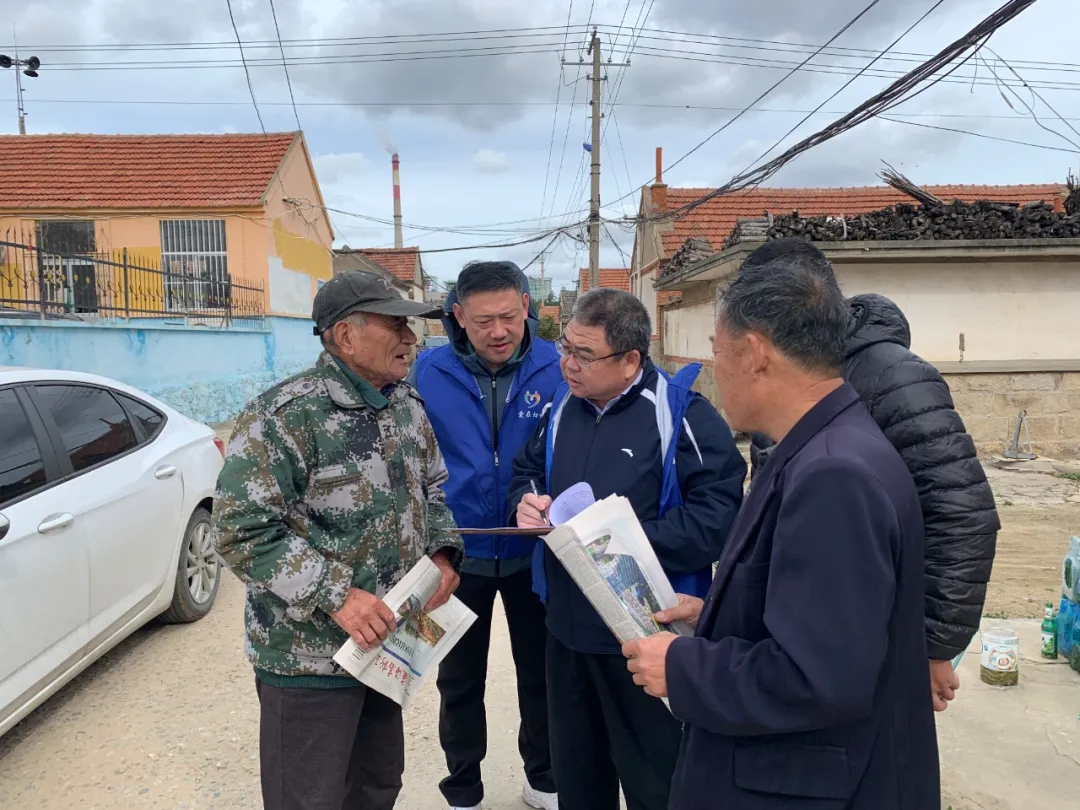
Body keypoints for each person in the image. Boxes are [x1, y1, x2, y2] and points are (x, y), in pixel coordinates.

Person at [624, 255, 940, 810]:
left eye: (717, 352)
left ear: (754, 353)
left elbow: (821, 676)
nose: (715, 370)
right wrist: (716, 613)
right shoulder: (829, 442)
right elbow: (831, 614)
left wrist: (682, 668)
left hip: (812, 783)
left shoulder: (833, 475)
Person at [213, 269, 464, 810]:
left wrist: (442, 554)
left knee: (377, 787)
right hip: (308, 662)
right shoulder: (285, 417)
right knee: (309, 799)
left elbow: (433, 489)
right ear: (346, 336)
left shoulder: (406, 406)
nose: (410, 338)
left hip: (387, 650)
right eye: (395, 325)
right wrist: (338, 595)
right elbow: (240, 530)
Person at [510, 288, 746, 810]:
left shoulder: (681, 413)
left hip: (647, 638)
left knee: (656, 784)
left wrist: (618, 541)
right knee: (578, 780)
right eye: (565, 347)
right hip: (566, 632)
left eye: (584, 354)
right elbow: (526, 471)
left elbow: (719, 516)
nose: (568, 364)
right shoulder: (561, 406)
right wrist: (526, 503)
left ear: (630, 361)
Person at [743, 238, 999, 712]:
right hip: (802, 620)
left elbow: (961, 513)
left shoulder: (894, 377)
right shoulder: (776, 382)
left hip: (878, 626)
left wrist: (933, 647)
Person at [410, 261, 563, 810]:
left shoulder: (558, 365)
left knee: (542, 674)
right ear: (457, 315)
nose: (498, 332)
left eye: (507, 317)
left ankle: (543, 777)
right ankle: (463, 787)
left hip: (535, 553)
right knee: (458, 680)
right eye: (482, 322)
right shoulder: (427, 371)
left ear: (526, 306)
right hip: (457, 554)